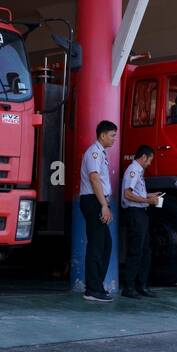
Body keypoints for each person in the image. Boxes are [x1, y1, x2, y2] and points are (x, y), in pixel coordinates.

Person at [79, 120, 117, 303]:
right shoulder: (94, 152)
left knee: (105, 244)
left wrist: (105, 203)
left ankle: (96, 286)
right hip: (93, 202)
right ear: (102, 135)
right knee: (97, 245)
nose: (114, 139)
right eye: (112, 135)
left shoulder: (101, 153)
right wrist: (103, 205)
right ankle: (92, 289)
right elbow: (94, 178)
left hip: (98, 201)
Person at [121, 144, 161, 299]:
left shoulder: (138, 171)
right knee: (136, 251)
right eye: (149, 160)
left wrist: (149, 195)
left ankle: (141, 285)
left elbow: (136, 192)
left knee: (145, 251)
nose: (149, 163)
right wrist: (147, 200)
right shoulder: (132, 170)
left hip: (141, 213)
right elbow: (127, 194)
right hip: (135, 213)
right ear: (144, 157)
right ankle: (129, 287)